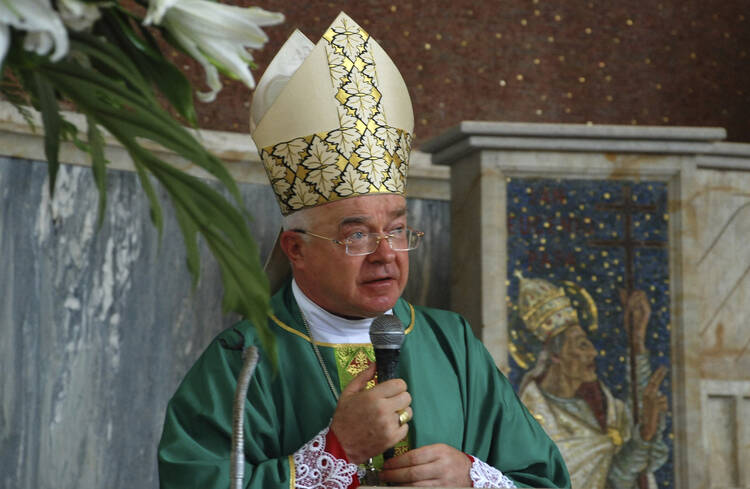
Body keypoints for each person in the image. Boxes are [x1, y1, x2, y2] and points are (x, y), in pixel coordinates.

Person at [158, 13, 570, 489]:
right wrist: (335, 454)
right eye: (356, 236)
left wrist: (472, 479)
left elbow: (547, 480)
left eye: (397, 230)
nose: (384, 254)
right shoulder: (242, 362)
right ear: (297, 249)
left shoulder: (452, 345)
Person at [515, 273, 668, 489]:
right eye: (582, 345)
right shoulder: (534, 420)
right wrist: (645, 433)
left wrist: (637, 339)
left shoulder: (598, 403)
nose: (594, 353)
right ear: (555, 355)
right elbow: (615, 478)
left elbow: (630, 435)